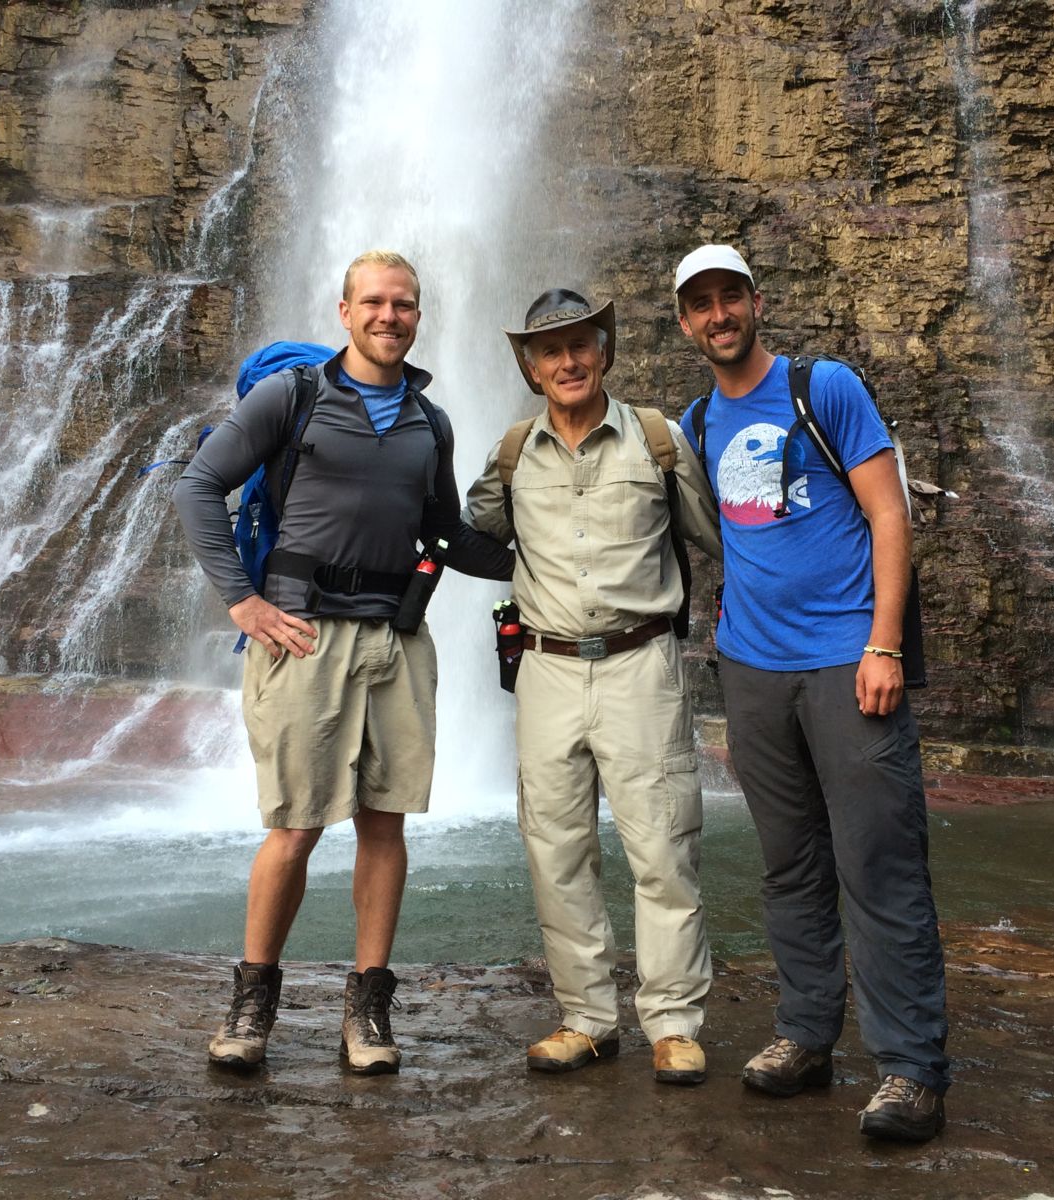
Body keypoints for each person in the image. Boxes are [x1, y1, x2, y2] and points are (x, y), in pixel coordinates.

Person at [172, 250, 512, 1074]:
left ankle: (368, 1007)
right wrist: (242, 603)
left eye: (404, 305)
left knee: (383, 823)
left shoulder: (431, 422)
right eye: (375, 302)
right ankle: (253, 1002)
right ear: (344, 310)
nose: (389, 316)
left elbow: (446, 534)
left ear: (418, 317)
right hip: (304, 638)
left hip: (396, 640)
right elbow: (197, 485)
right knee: (294, 826)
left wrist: (554, 553)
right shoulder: (291, 397)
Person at [673, 244, 950, 1141]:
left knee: (878, 860)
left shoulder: (821, 388)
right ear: (685, 323)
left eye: (729, 297)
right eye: (699, 305)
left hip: (846, 659)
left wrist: (883, 644)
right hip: (752, 672)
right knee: (789, 863)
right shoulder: (696, 422)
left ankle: (911, 1068)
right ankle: (805, 1034)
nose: (718, 315)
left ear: (756, 302)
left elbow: (887, 512)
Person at [466, 288, 722, 1085]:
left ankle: (673, 1024)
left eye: (582, 345)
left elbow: (711, 535)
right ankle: (586, 1018)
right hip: (544, 668)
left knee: (661, 847)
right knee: (556, 850)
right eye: (551, 351)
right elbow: (474, 534)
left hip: (640, 662)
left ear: (604, 350)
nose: (569, 362)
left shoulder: (658, 440)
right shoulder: (510, 454)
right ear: (530, 366)